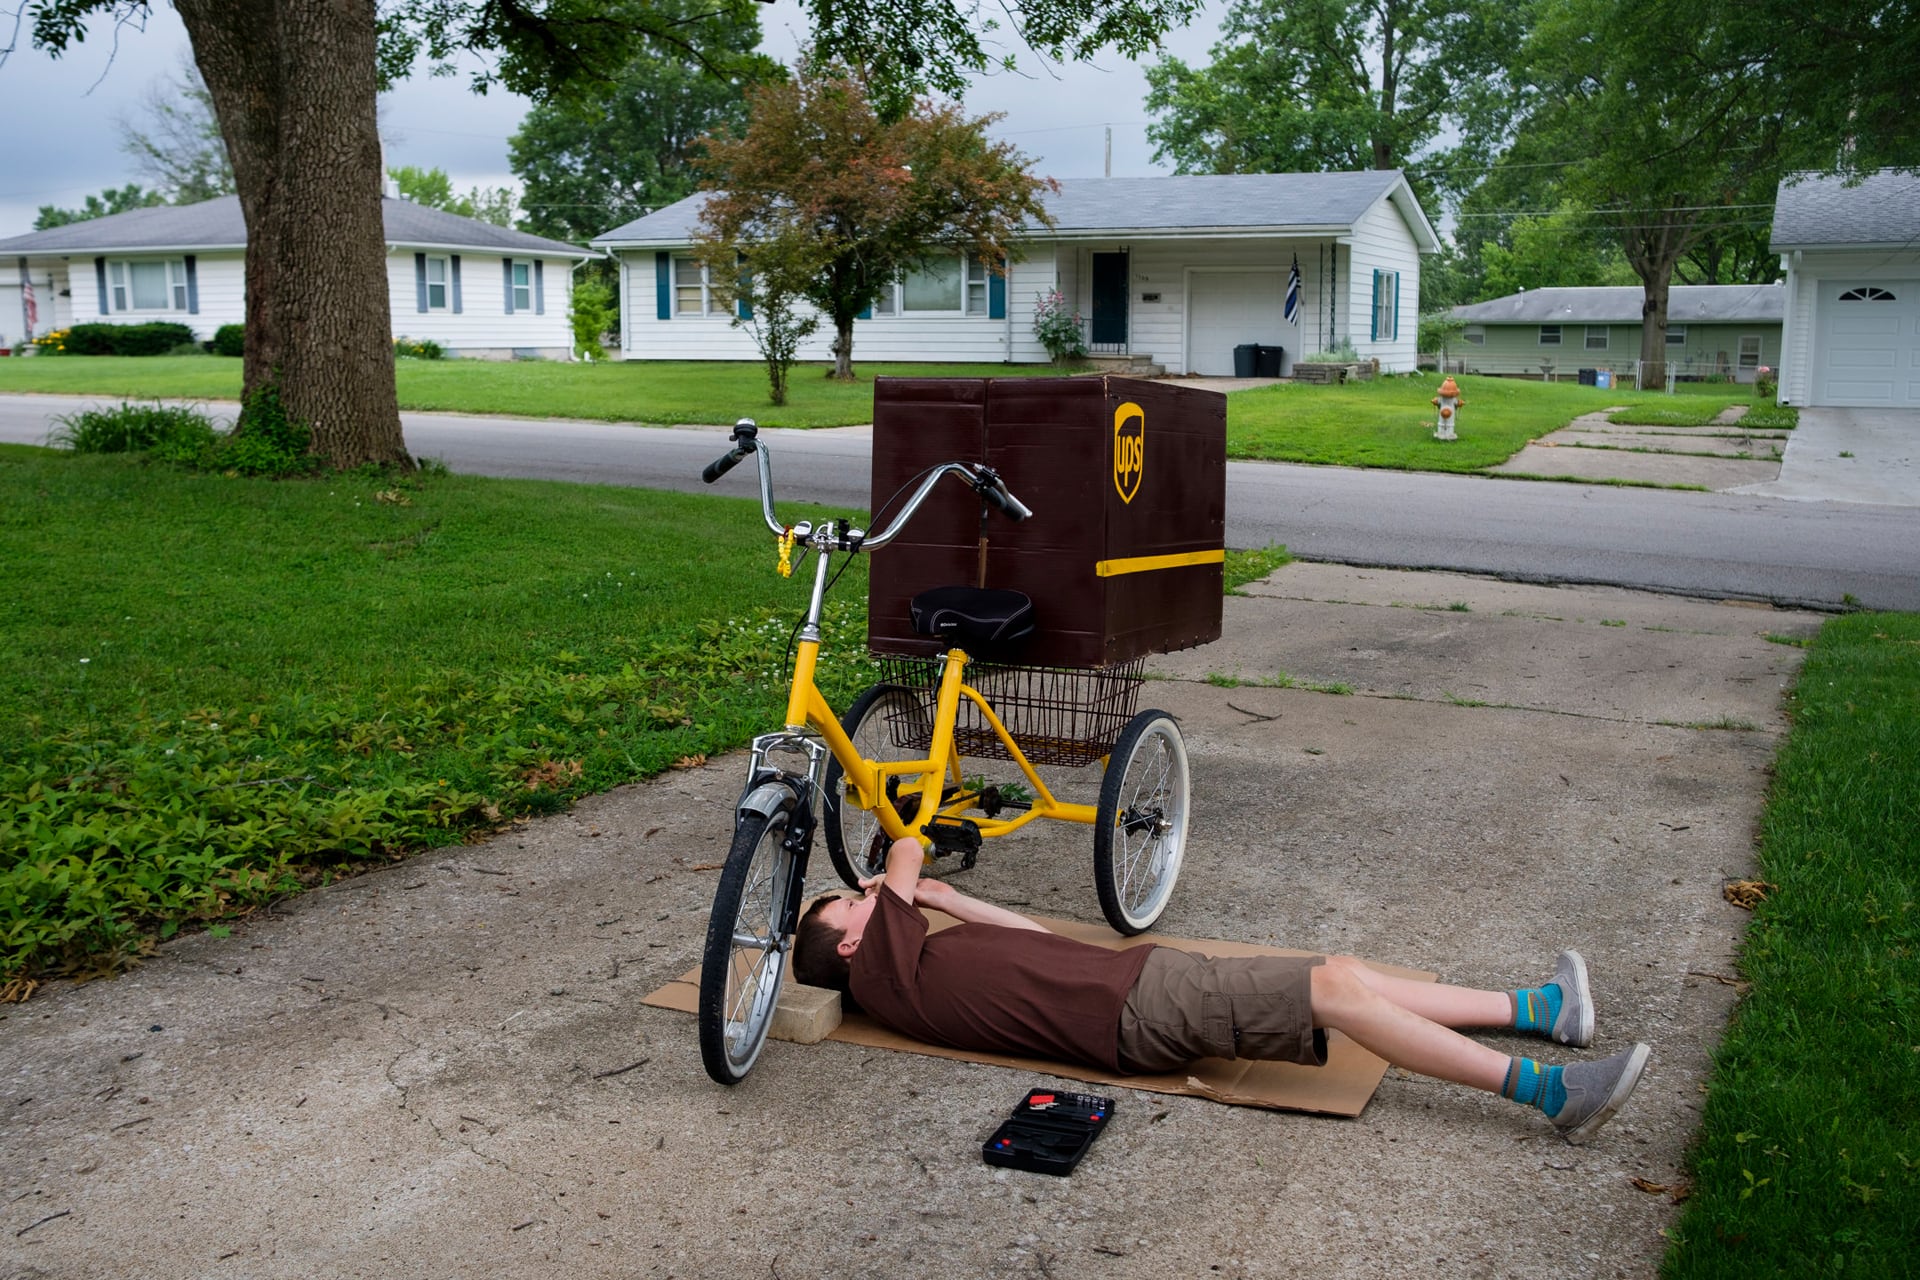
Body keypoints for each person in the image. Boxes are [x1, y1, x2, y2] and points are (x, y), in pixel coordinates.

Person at [792, 837, 1650, 1143]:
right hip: (1138, 1011)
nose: (869, 900)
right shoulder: (884, 977)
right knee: (1337, 996)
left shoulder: (922, 962)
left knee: (1341, 973)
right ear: (854, 941)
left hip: (1137, 984)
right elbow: (904, 850)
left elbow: (1038, 943)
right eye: (853, 906)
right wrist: (895, 875)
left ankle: (1538, 1011)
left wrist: (950, 900)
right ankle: (1548, 1093)